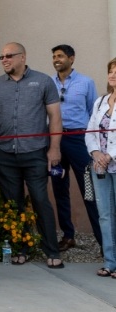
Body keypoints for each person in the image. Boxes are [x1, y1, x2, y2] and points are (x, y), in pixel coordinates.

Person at [0, 42, 63, 268]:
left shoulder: (43, 81)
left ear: (23, 57)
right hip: (4, 155)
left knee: (40, 200)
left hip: (36, 152)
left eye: (9, 56)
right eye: (2, 57)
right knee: (13, 203)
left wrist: (54, 148)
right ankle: (21, 248)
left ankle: (52, 251)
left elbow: (55, 117)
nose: (5, 60)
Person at [50, 44, 102, 251]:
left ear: (71, 59)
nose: (56, 59)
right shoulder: (48, 83)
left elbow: (93, 113)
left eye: (60, 56)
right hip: (55, 141)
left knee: (88, 189)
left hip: (79, 139)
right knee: (59, 187)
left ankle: (103, 242)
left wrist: (94, 144)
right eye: (54, 56)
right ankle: (68, 235)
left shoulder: (86, 82)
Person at [86, 57, 116, 278]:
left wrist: (109, 155)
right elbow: (90, 132)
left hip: (111, 161)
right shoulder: (100, 102)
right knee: (105, 215)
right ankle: (110, 262)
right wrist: (96, 154)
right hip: (100, 166)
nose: (113, 75)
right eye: (111, 71)